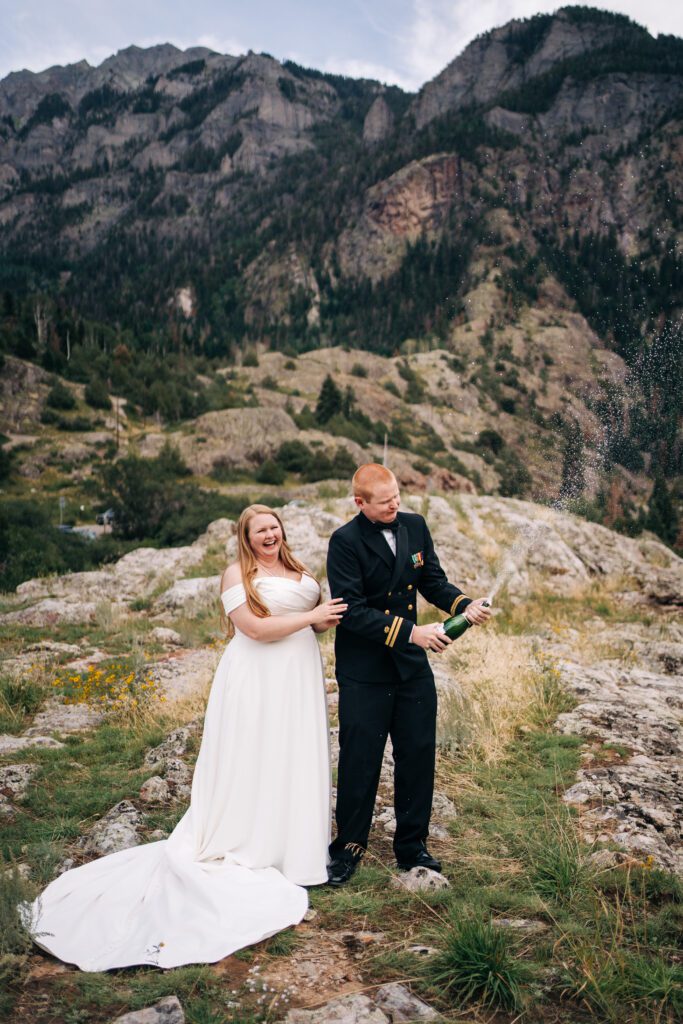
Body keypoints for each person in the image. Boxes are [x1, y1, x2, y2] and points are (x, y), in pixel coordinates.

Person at [24, 504, 346, 971]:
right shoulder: (236, 574)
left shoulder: (299, 569)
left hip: (298, 674)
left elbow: (311, 619)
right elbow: (253, 629)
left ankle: (294, 850)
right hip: (257, 675)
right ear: (246, 537)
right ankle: (249, 842)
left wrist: (324, 618)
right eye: (261, 531)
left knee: (292, 755)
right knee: (253, 755)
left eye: (274, 527)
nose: (270, 535)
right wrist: (310, 616)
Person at [326, 464, 491, 886]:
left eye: (397, 496)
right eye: (385, 501)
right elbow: (353, 611)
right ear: (360, 503)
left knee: (417, 754)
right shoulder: (344, 542)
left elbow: (432, 581)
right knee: (360, 759)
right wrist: (413, 633)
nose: (395, 504)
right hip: (364, 670)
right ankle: (348, 849)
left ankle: (412, 845)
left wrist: (463, 605)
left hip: (411, 669)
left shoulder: (415, 526)